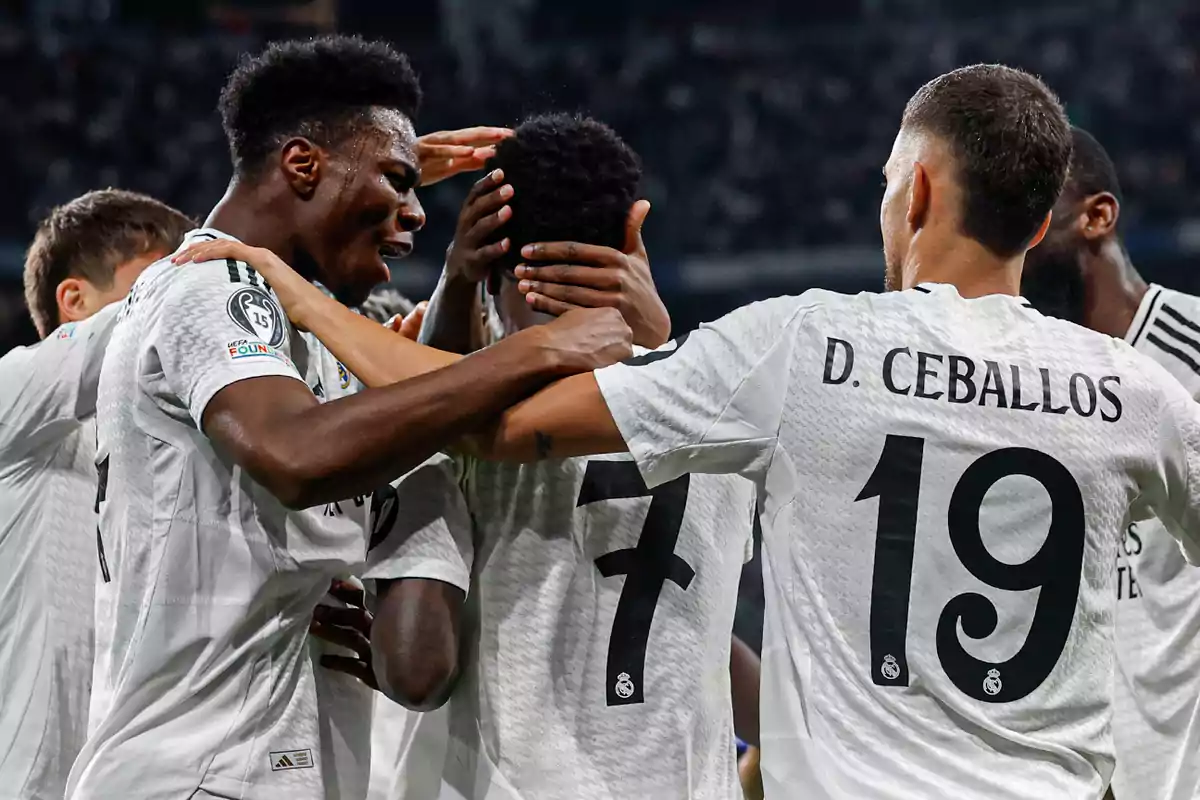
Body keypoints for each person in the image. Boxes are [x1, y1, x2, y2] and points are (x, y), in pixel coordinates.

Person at [225, 63, 1200, 798]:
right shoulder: (1139, 392)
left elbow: (486, 444)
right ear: (1040, 224)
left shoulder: (799, 356)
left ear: (921, 193)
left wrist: (310, 298)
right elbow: (692, 616)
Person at [67, 36, 631, 800]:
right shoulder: (210, 284)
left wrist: (449, 272)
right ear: (301, 166)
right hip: (201, 770)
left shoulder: (294, 320)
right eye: (398, 181)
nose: (417, 211)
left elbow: (418, 425)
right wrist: (538, 350)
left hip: (257, 765)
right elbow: (297, 456)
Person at [175, 112, 761, 799]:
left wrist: (314, 299)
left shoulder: (446, 424)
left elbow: (416, 669)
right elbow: (702, 634)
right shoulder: (722, 414)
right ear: (633, 237)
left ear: (491, 271)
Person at [1021, 126, 1200, 800]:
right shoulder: (1023, 393)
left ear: (1097, 216)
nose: (1016, 239)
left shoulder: (1191, 356)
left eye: (1034, 212)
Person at [0, 189, 194, 800]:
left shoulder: (158, 446)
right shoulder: (14, 390)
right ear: (74, 300)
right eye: (156, 277)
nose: (188, 300)